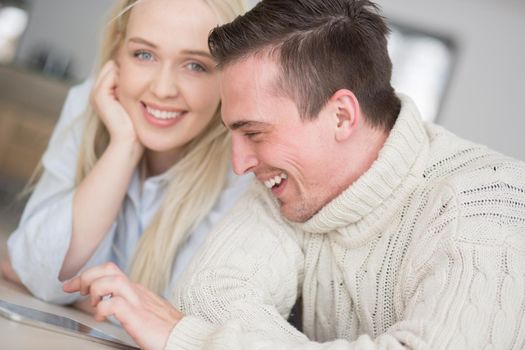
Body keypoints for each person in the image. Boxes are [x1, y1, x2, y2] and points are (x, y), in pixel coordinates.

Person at [62, 0, 525, 349]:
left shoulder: (488, 207)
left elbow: (193, 327)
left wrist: (190, 340)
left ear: (342, 115)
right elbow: (205, 300)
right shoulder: (292, 185)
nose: (239, 163)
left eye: (255, 133)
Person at [2, 0, 249, 304]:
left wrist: (89, 301)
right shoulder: (91, 105)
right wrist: (123, 147)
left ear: (229, 75)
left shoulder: (245, 163)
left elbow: (196, 316)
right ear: (118, 54)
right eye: (144, 55)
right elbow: (37, 270)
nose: (162, 89)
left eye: (195, 65)